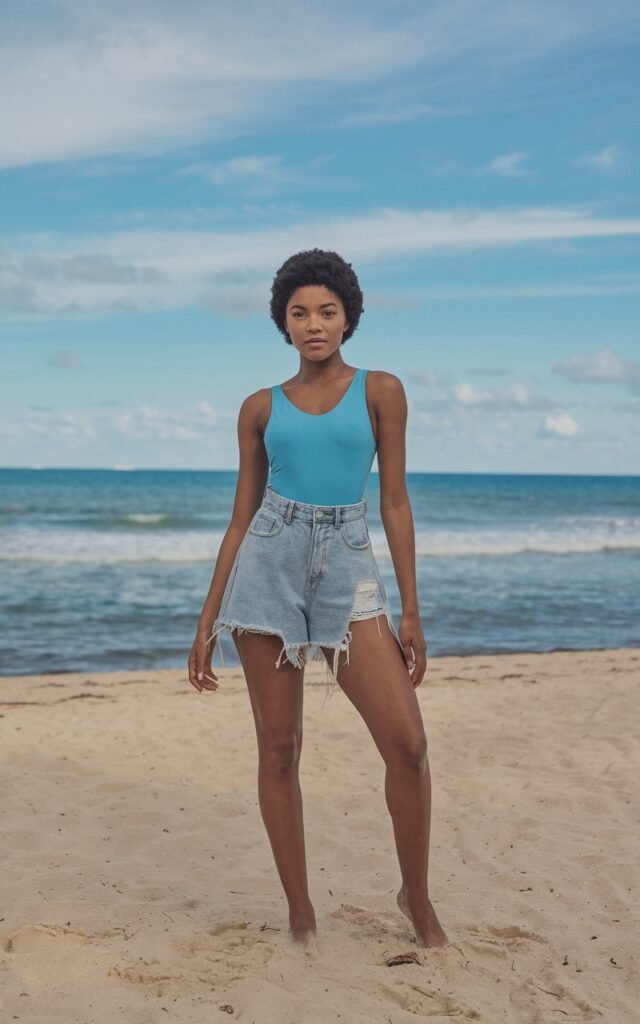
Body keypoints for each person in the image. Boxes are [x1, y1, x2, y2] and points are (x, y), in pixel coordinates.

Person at [188, 248, 447, 948]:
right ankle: (301, 916)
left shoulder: (380, 391)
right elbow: (240, 520)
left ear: (348, 318)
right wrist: (208, 619)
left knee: (409, 746)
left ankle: (415, 896)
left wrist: (411, 610)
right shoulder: (258, 408)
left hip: (348, 568)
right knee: (278, 750)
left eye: (326, 311)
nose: (313, 323)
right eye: (299, 312)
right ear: (283, 322)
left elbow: (394, 502)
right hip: (266, 567)